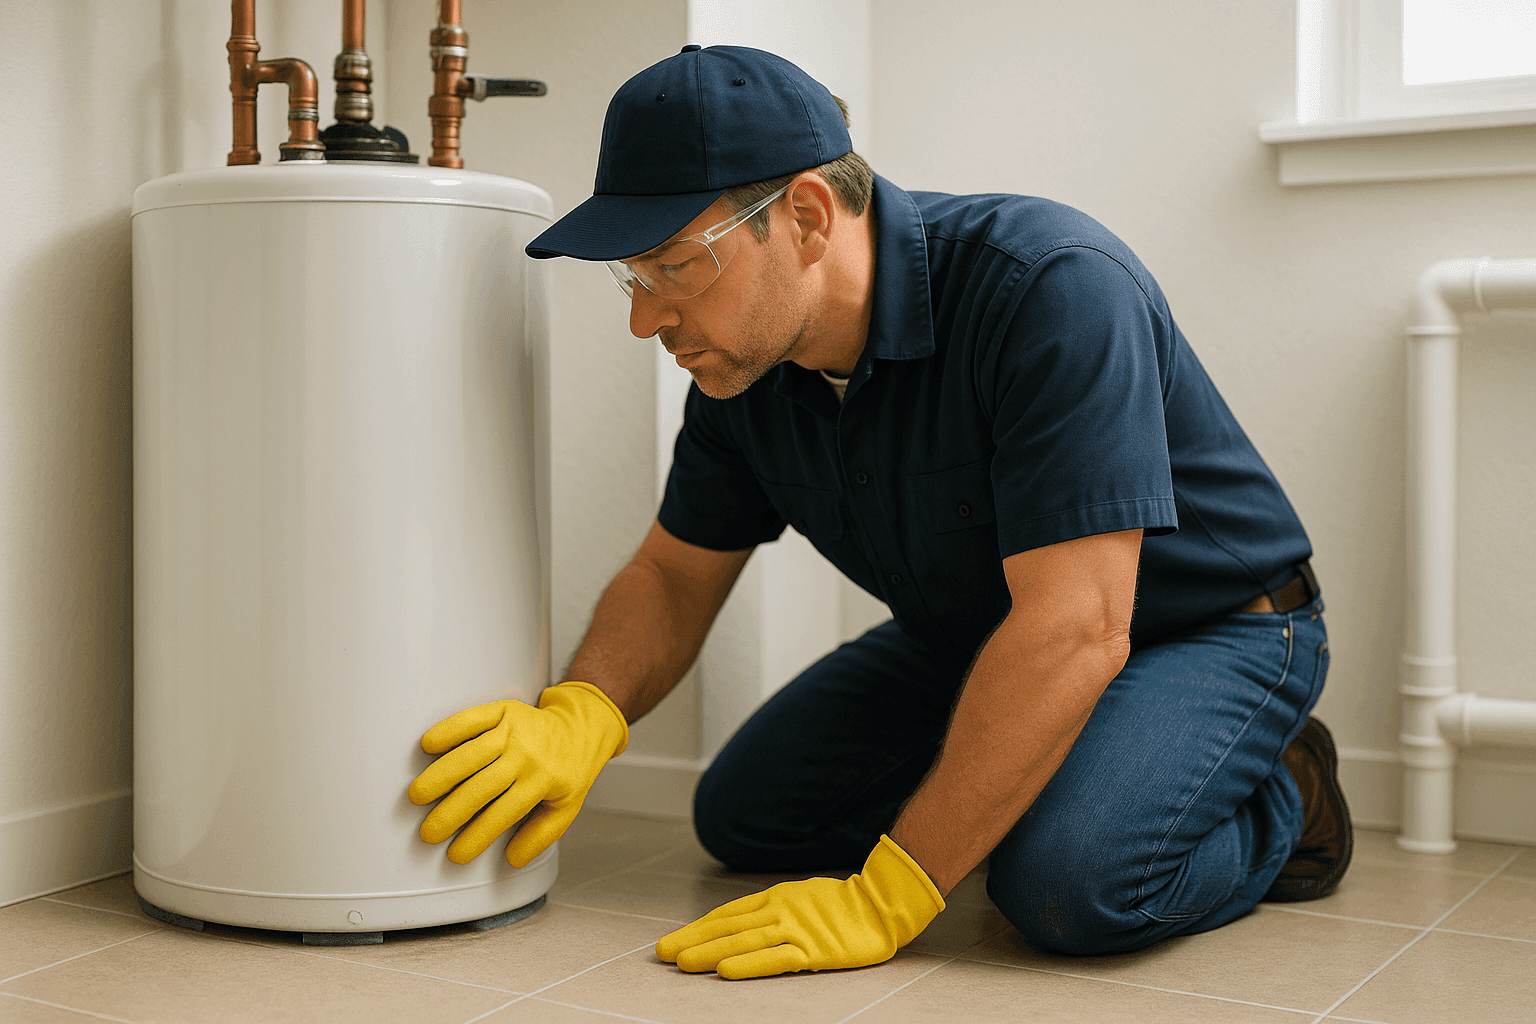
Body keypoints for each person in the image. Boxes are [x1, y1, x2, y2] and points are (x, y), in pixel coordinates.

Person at [406, 44, 1352, 980]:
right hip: (981, 635)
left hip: (1208, 630)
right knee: (747, 814)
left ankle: (1284, 791)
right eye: (632, 276)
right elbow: (674, 572)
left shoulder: (1050, 289)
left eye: (672, 266)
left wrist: (889, 891)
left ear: (808, 216)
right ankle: (1041, 769)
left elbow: (1076, 627)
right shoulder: (749, 377)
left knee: (1064, 887)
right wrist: (585, 710)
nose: (644, 320)